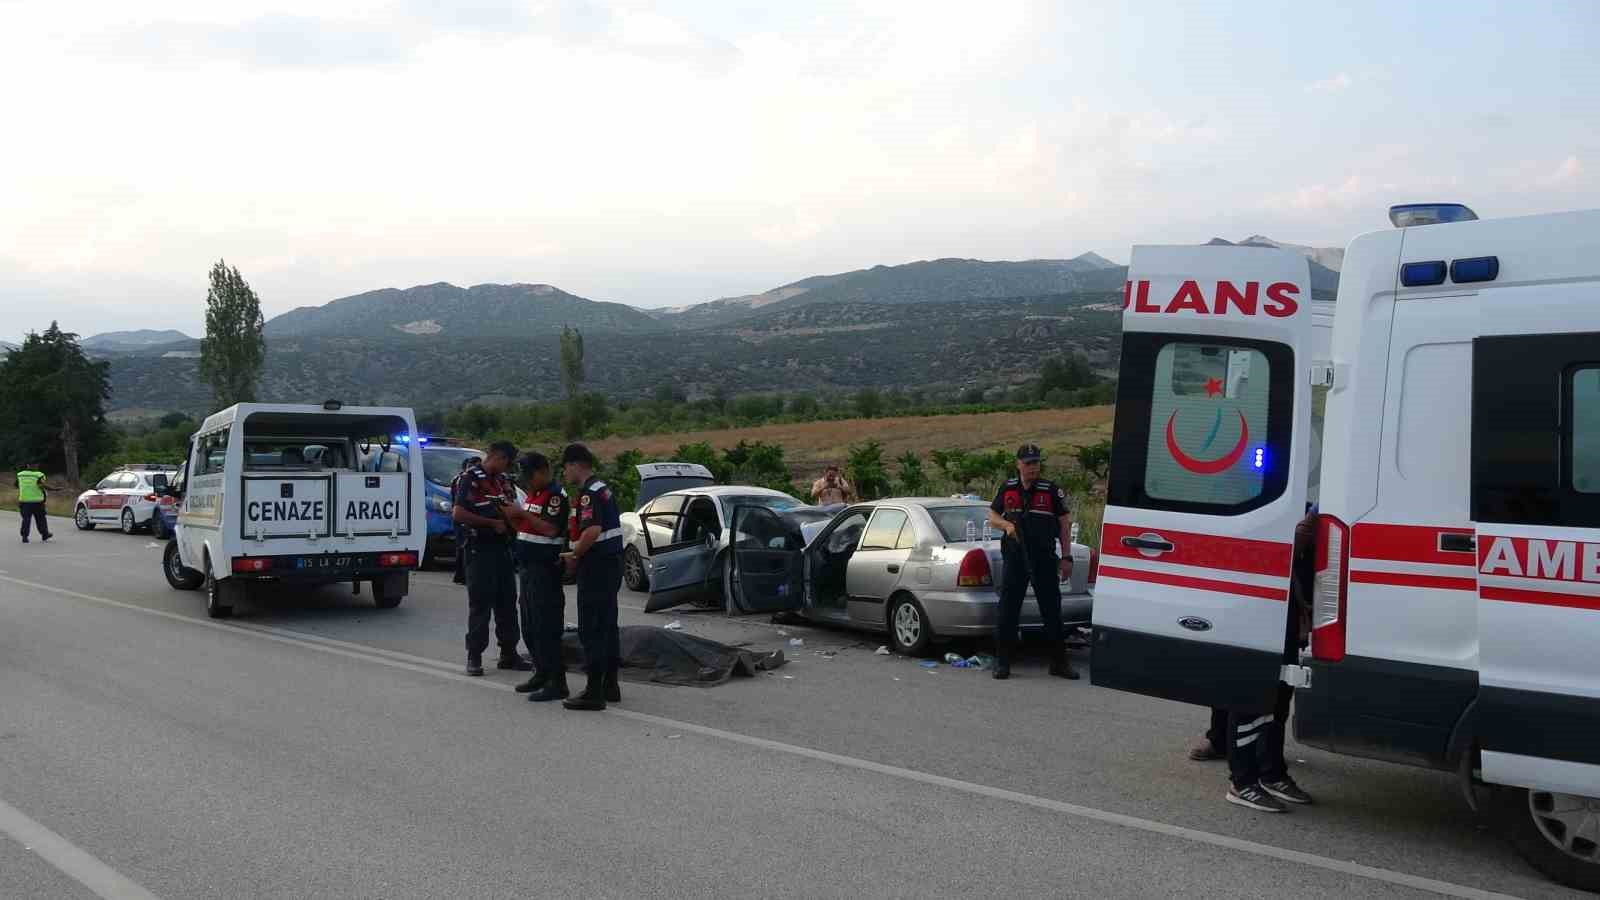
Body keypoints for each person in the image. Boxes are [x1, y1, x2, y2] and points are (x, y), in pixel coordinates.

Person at [1224, 505, 1318, 812]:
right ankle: (1242, 781)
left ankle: (1270, 772)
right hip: (1261, 604)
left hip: (1287, 607)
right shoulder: (1272, 504)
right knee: (1252, 697)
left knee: (1279, 698)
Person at [986, 444, 1075, 681]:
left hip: (1044, 558)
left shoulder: (1050, 490)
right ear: (1018, 465)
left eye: (1036, 462)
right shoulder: (1008, 488)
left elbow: (1064, 525)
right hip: (1015, 558)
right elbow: (992, 515)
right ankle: (1002, 662)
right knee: (1008, 609)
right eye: (1028, 463)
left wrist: (1066, 558)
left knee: (1052, 610)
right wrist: (1006, 525)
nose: (1033, 467)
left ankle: (1059, 663)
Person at [452, 443, 532, 676]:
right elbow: (458, 514)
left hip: (503, 548)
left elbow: (511, 508)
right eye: (507, 462)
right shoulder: (469, 478)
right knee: (481, 604)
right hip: (479, 549)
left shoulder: (503, 480)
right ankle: (474, 656)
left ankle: (509, 653)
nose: (507, 468)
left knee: (507, 602)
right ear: (498, 457)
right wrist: (491, 523)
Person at [559, 443, 624, 711]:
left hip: (597, 566)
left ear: (575, 465)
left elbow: (592, 530)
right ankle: (611, 685)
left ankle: (593, 691)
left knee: (592, 627)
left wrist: (574, 553)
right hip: (611, 564)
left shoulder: (588, 494)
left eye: (565, 467)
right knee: (608, 626)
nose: (565, 473)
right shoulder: (603, 488)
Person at [511, 452, 572, 703]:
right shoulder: (533, 494)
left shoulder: (555, 495)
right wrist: (510, 513)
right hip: (527, 568)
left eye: (530, 475)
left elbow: (549, 529)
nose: (526, 480)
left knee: (546, 627)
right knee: (529, 625)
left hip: (545, 569)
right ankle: (541, 672)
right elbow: (526, 529)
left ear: (543, 470)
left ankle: (557, 682)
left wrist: (522, 514)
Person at [449, 455, 480, 585]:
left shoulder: (459, 478)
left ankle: (461, 576)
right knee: (464, 546)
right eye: (475, 466)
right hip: (463, 515)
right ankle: (462, 576)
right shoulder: (463, 479)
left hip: (462, 515)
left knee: (462, 546)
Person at [16, 464, 51, 543]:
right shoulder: (39, 475)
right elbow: (42, 486)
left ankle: (25, 537)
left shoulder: (20, 475)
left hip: (24, 501)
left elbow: (16, 485)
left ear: (28, 465)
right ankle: (45, 534)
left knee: (26, 519)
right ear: (36, 466)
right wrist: (54, 489)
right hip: (37, 502)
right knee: (41, 518)